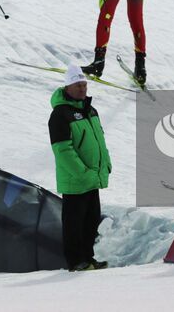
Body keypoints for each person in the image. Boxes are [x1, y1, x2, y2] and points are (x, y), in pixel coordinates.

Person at [49, 63, 112, 272]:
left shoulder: (90, 110)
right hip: (76, 181)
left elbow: (99, 140)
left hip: (92, 177)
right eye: (77, 85)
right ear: (68, 87)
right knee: (74, 224)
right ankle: (76, 262)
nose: (82, 89)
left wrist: (106, 164)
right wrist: (83, 173)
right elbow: (63, 150)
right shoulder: (60, 114)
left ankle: (88, 258)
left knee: (91, 221)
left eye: (84, 84)